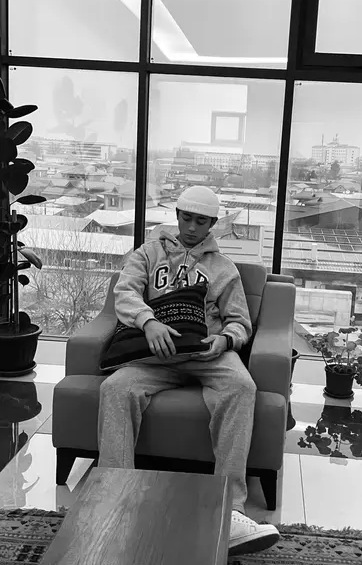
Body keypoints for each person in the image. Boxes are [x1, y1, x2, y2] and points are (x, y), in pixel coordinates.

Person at [97, 185, 280, 556]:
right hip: (157, 355)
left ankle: (230, 511)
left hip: (209, 355)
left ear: (212, 224)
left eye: (201, 221)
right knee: (115, 389)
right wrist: (148, 322)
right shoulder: (147, 253)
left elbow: (240, 322)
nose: (193, 228)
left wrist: (225, 341)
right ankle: (115, 497)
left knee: (242, 387)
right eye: (187, 218)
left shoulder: (224, 269)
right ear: (177, 216)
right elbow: (125, 293)